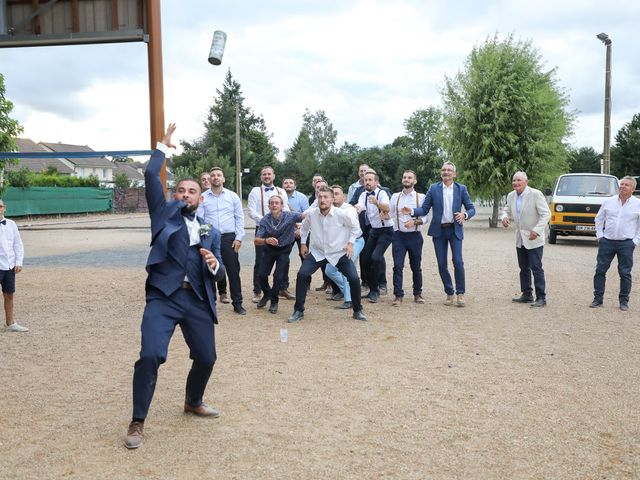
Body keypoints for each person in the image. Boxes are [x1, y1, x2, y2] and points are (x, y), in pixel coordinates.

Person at [124, 124, 226, 450]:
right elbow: (151, 174)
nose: (184, 194)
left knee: (207, 358)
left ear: (201, 197)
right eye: (180, 190)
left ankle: (193, 401)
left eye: (191, 191)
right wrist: (162, 147)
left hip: (196, 298)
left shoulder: (210, 228)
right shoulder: (163, 213)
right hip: (163, 296)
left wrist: (214, 265)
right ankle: (138, 421)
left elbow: (221, 271)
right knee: (151, 354)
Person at [289, 187, 367, 323]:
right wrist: (303, 244)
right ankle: (298, 311)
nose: (323, 200)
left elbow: (356, 229)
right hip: (318, 252)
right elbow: (305, 228)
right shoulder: (312, 214)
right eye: (320, 197)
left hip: (338, 253)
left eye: (326, 197)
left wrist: (350, 243)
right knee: (302, 274)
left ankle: (357, 310)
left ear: (332, 199)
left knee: (354, 278)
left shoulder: (342, 214)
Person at [404, 161, 475, 307]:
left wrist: (465, 215)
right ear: (441, 173)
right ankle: (449, 292)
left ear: (454, 174)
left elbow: (471, 208)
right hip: (439, 231)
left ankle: (460, 294)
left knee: (458, 261)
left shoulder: (461, 189)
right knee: (442, 264)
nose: (446, 172)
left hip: (455, 230)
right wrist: (411, 211)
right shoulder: (433, 188)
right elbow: (424, 209)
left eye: (449, 170)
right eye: (444, 170)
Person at [198, 167, 247, 315]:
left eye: (219, 175)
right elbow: (201, 218)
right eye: (212, 175)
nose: (215, 177)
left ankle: (237, 303)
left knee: (233, 271)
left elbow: (239, 217)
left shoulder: (233, 196)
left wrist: (239, 237)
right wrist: (204, 239)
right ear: (210, 179)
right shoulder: (203, 197)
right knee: (209, 270)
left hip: (229, 237)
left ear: (223, 179)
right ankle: (210, 302)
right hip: (210, 237)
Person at [500, 171, 551, 308]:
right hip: (520, 238)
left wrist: (537, 230)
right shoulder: (511, 196)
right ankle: (527, 294)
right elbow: (506, 209)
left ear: (526, 182)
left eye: (518, 180)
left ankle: (541, 297)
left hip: (534, 237)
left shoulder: (535, 194)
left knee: (536, 267)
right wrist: (504, 217)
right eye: (514, 180)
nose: (515, 183)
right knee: (523, 267)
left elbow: (546, 214)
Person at [590, 176, 640, 311]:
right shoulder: (608, 201)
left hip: (626, 243)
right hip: (607, 242)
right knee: (600, 270)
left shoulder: (638, 204)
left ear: (633, 189)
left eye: (626, 185)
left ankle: (624, 301)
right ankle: (598, 299)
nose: (623, 186)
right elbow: (599, 219)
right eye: (621, 184)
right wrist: (600, 236)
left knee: (625, 272)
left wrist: (635, 241)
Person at [254, 195, 303, 314]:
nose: (274, 205)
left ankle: (274, 301)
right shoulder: (265, 219)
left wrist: (301, 228)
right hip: (269, 249)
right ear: (269, 206)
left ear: (282, 205)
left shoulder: (290, 216)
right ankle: (267, 294)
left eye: (277, 203)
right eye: (272, 203)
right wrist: (266, 240)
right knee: (261, 275)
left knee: (278, 277)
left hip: (284, 250)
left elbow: (305, 216)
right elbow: (256, 240)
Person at [247, 167, 289, 303]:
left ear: (274, 176)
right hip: (262, 229)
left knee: (282, 261)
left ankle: (281, 288)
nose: (266, 176)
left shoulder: (281, 191)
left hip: (280, 230)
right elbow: (251, 211)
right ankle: (258, 291)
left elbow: (286, 209)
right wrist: (267, 221)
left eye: (269, 174)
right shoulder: (255, 191)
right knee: (260, 261)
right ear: (261, 177)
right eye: (264, 174)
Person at [389, 170, 427, 306]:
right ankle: (398, 295)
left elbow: (425, 217)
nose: (406, 179)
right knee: (397, 266)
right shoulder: (395, 197)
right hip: (399, 235)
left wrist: (414, 222)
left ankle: (417, 293)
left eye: (409, 177)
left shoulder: (421, 197)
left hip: (415, 236)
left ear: (415, 181)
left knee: (416, 266)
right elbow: (390, 214)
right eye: (404, 177)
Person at [324, 185, 365, 310]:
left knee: (347, 268)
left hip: (355, 242)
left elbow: (354, 229)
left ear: (344, 196)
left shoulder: (349, 210)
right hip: (339, 244)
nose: (335, 196)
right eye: (333, 194)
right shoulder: (327, 210)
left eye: (337, 194)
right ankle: (352, 290)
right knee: (329, 270)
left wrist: (350, 244)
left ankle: (349, 300)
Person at [356, 171, 393, 304]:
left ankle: (375, 290)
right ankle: (373, 288)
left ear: (376, 182)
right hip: (374, 231)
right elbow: (359, 207)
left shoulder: (381, 193)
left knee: (376, 258)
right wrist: (353, 209)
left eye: (370, 180)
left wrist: (377, 203)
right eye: (366, 180)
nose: (367, 182)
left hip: (386, 230)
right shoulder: (363, 195)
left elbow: (387, 207)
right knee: (365, 259)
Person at [0, 200, 27, 332]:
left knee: (9, 295)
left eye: (0, 206)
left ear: (4, 208)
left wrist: (19, 262)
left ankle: (10, 323)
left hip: (9, 266)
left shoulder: (11, 224)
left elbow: (18, 244)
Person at [282, 177, 309, 296]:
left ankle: (306, 282)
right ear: (283, 185)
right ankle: (284, 284)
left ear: (295, 186)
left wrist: (300, 228)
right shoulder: (280, 197)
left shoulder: (302, 197)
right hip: (287, 231)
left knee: (304, 255)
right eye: (286, 183)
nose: (288, 185)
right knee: (284, 257)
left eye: (291, 183)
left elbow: (307, 214)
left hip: (302, 229)